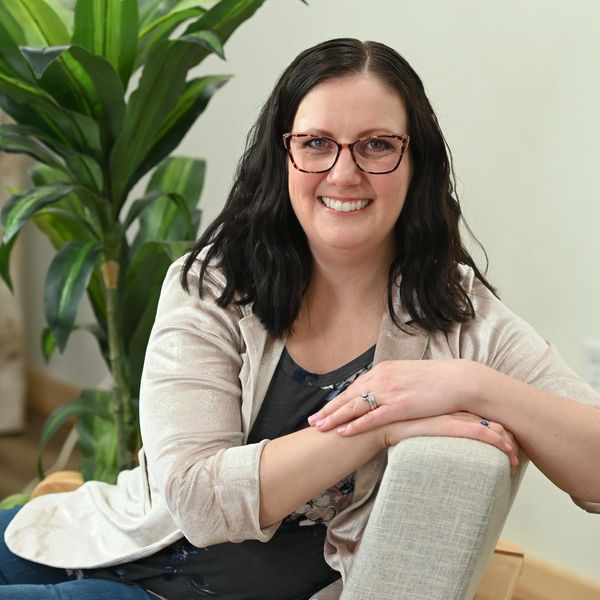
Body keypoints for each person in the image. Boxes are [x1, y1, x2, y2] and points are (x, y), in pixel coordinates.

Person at [2, 37, 600, 600]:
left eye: (377, 144)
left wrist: (474, 384)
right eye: (317, 143)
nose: (344, 173)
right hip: (115, 540)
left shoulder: (460, 318)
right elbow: (195, 498)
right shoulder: (213, 285)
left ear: (414, 160)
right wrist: (380, 423)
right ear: (283, 154)